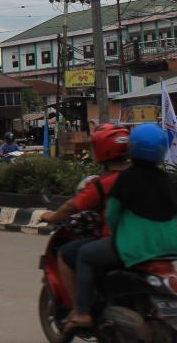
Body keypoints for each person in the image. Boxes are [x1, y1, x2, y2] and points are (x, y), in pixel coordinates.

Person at [66, 123, 177, 333]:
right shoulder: (167, 179)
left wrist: (118, 230)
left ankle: (82, 312)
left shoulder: (127, 178)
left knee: (84, 253)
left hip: (135, 248)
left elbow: (112, 214)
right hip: (170, 249)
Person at [40, 124, 131, 309]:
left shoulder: (102, 184)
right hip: (149, 243)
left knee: (69, 254)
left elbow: (72, 205)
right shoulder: (143, 177)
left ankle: (81, 313)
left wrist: (52, 216)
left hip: (118, 243)